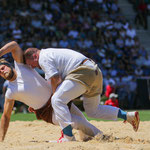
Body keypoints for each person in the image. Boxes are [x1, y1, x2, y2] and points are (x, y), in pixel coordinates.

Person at [24, 45, 140, 142]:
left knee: (57, 100)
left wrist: (53, 98)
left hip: (82, 72)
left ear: (35, 56)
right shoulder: (51, 53)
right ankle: (128, 116)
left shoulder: (43, 57)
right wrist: (40, 101)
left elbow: (55, 79)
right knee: (93, 110)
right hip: (95, 72)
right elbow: (53, 82)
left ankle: (68, 137)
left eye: (31, 64)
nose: (33, 67)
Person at [0, 41, 102, 142]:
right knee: (76, 122)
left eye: (2, 68)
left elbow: (14, 45)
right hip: (47, 111)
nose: (2, 71)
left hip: (57, 97)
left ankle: (88, 137)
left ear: (8, 65)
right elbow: (6, 116)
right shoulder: (10, 91)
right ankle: (100, 136)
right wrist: (1, 139)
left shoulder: (21, 66)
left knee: (82, 121)